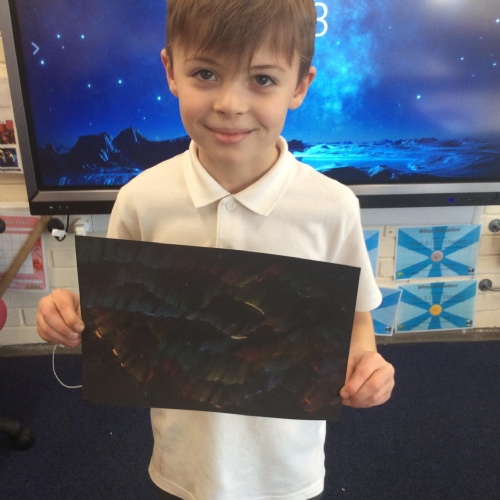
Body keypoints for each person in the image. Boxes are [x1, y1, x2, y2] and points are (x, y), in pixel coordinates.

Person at [37, 1, 395, 499]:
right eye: (206, 73)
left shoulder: (332, 208)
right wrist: (72, 314)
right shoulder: (141, 200)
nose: (230, 103)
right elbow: (116, 317)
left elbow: (354, 317)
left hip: (286, 471)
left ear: (300, 85)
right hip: (184, 464)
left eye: (262, 79)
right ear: (171, 71)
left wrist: (366, 362)